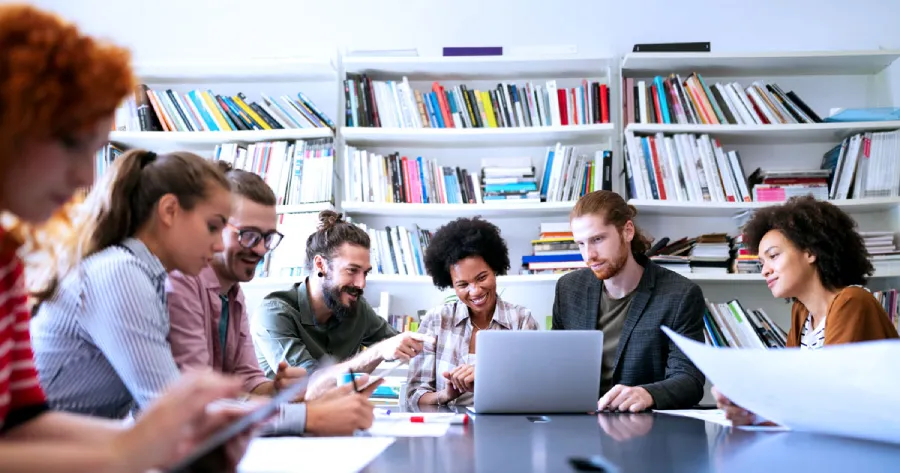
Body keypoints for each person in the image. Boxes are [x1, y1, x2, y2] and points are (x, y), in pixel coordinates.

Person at [0, 4, 254, 471]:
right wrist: (132, 447)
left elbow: (20, 418)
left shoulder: (7, 260)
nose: (81, 175)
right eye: (71, 144)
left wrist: (159, 438)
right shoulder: (120, 272)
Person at [166, 163, 377, 435]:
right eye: (249, 235)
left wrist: (279, 390)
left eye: (268, 238)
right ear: (215, 226)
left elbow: (250, 383)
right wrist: (307, 416)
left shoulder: (234, 294)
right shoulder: (180, 283)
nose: (260, 249)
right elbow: (197, 404)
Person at [712, 195, 900, 426]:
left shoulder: (853, 300)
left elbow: (831, 399)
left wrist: (758, 416)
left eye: (773, 256)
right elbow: (793, 389)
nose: (765, 271)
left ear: (810, 252)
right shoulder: (802, 313)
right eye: (762, 263)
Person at [552, 190, 706, 412]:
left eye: (597, 239)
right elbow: (556, 365)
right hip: (579, 426)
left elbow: (689, 379)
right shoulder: (568, 289)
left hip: (643, 428)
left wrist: (648, 394)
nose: (589, 256)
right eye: (581, 244)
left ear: (627, 231)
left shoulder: (680, 295)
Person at [251, 210, 432, 388]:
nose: (361, 284)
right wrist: (377, 352)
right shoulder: (274, 314)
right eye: (352, 270)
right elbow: (310, 385)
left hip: (335, 413)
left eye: (365, 273)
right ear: (320, 265)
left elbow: (406, 345)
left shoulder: (356, 308)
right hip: (281, 416)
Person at [406, 217, 539, 407]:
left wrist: (488, 379)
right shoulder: (436, 320)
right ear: (451, 284)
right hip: (448, 431)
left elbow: (533, 390)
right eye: (463, 284)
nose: (475, 291)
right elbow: (415, 397)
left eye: (482, 277)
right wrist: (446, 394)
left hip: (505, 428)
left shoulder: (521, 321)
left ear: (494, 268)